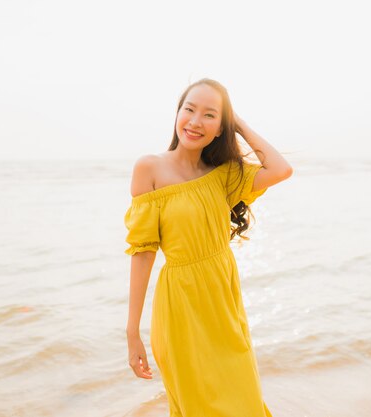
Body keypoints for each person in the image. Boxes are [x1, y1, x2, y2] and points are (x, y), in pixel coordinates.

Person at [124, 78, 293, 416]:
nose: (195, 121)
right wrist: (132, 332)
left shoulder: (225, 174)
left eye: (209, 115)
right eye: (189, 109)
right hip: (180, 307)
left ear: (221, 128)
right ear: (177, 114)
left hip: (224, 304)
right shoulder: (149, 168)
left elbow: (280, 169)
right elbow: (143, 253)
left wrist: (240, 126)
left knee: (243, 401)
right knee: (199, 406)